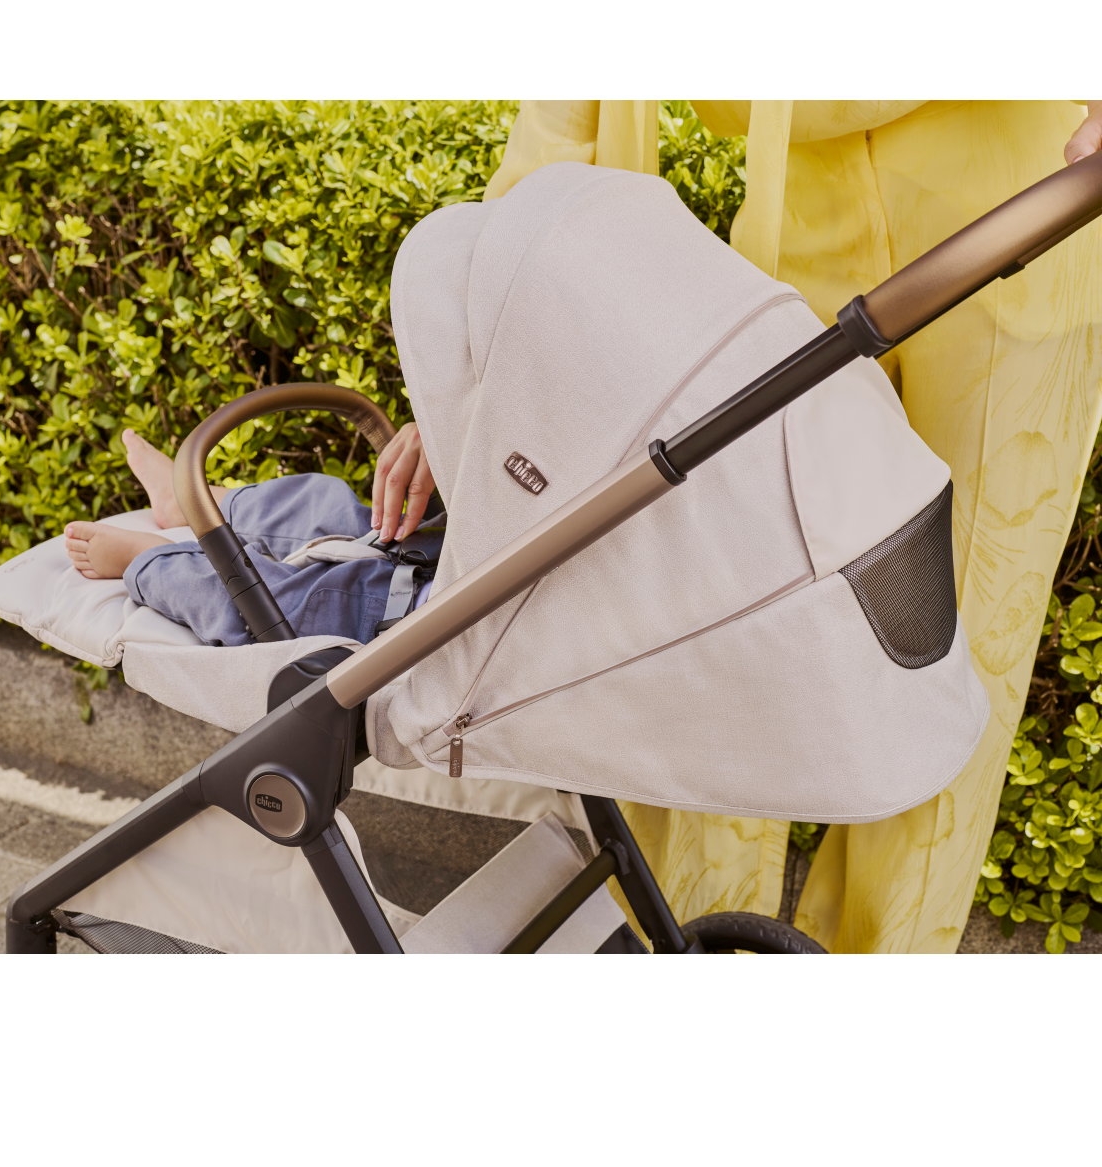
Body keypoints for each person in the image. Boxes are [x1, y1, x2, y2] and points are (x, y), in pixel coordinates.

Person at [416, 98, 1102, 954]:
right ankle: (680, 950)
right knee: (703, 622)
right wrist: (473, 337)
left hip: (1018, 207)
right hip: (791, 232)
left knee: (949, 656)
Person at [65, 429, 436, 646]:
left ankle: (151, 558)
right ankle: (191, 501)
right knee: (321, 503)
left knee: (261, 602)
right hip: (438, 552)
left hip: (413, 619)